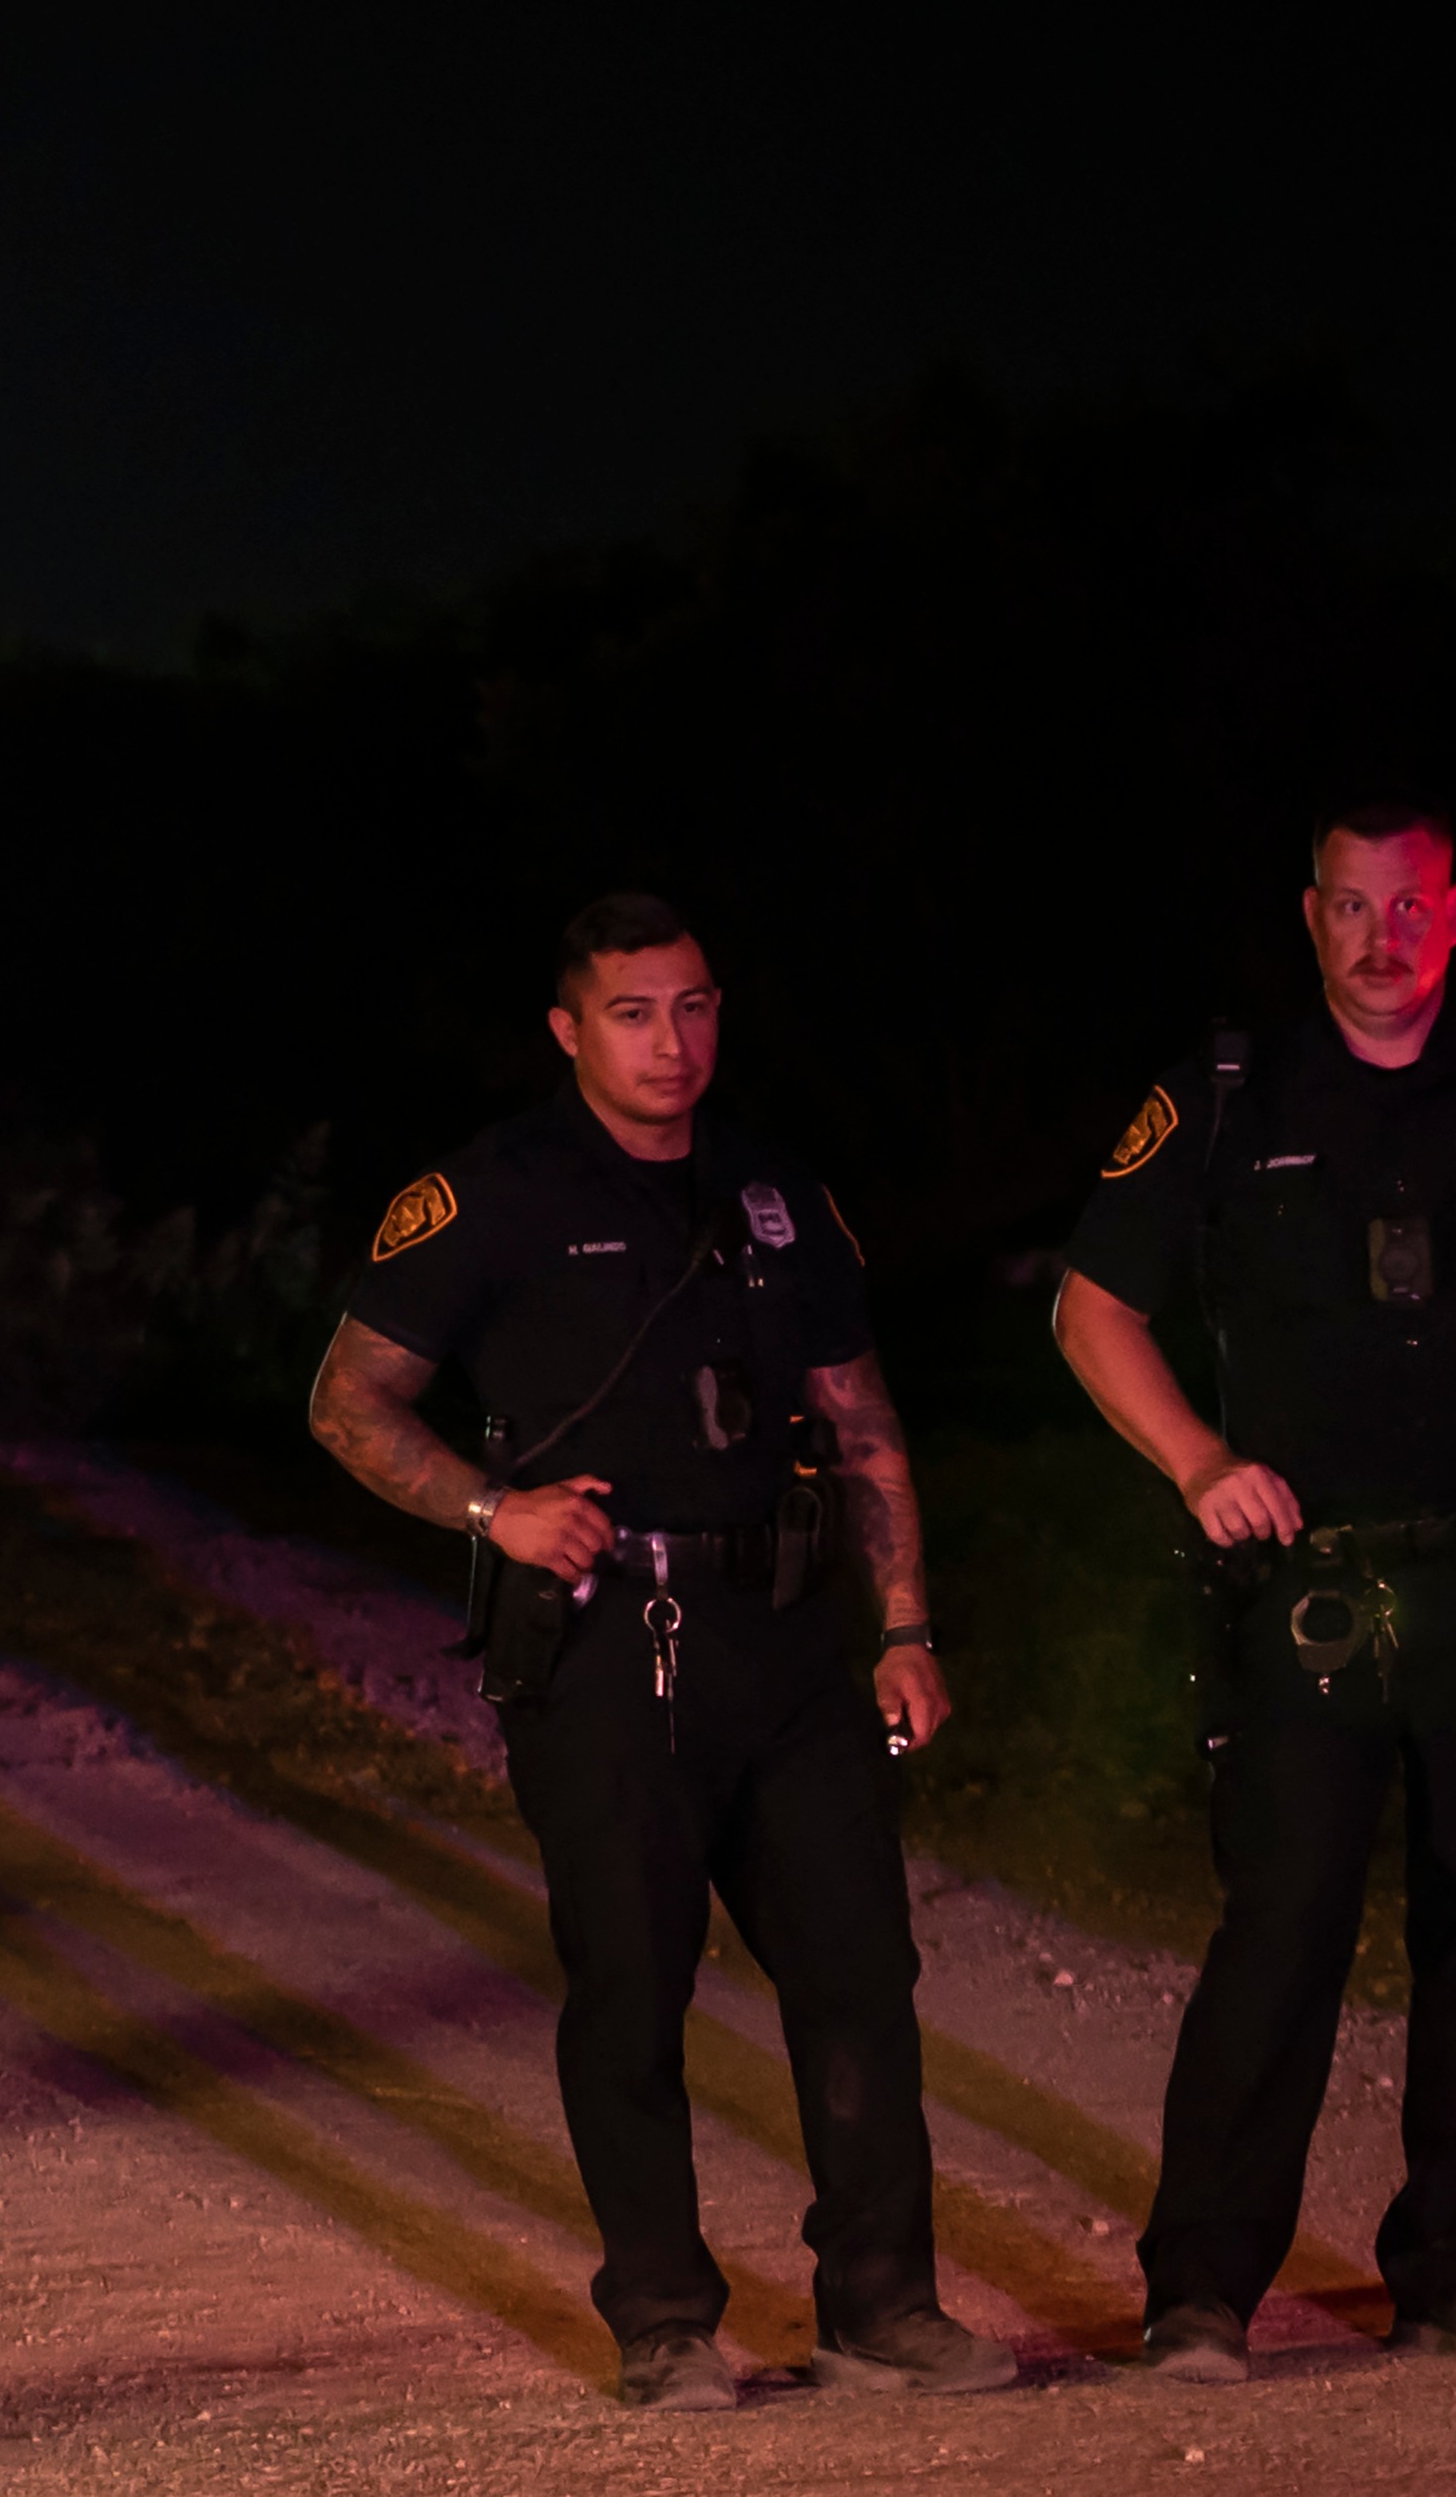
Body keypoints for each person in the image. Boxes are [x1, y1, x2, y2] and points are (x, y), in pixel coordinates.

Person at [308, 892, 1012, 2412]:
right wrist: (494, 1510)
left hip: (785, 1637)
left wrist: (904, 1627)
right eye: (633, 1014)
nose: (670, 1041)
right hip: (605, 1643)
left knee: (859, 1969)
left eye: (693, 1007)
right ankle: (665, 2318)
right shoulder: (492, 1192)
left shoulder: (775, 1192)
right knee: (631, 1984)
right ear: (569, 1030)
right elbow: (347, 1401)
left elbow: (863, 1424)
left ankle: (883, 2305)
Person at [1055, 797, 1456, 2381]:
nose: (1380, 938)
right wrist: (1200, 1464)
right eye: (1351, 906)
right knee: (1282, 1933)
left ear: (1455, 914)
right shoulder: (1230, 1094)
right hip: (1309, 1592)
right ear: (1311, 916)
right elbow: (1089, 1309)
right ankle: (1201, 2292)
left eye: (1409, 906)